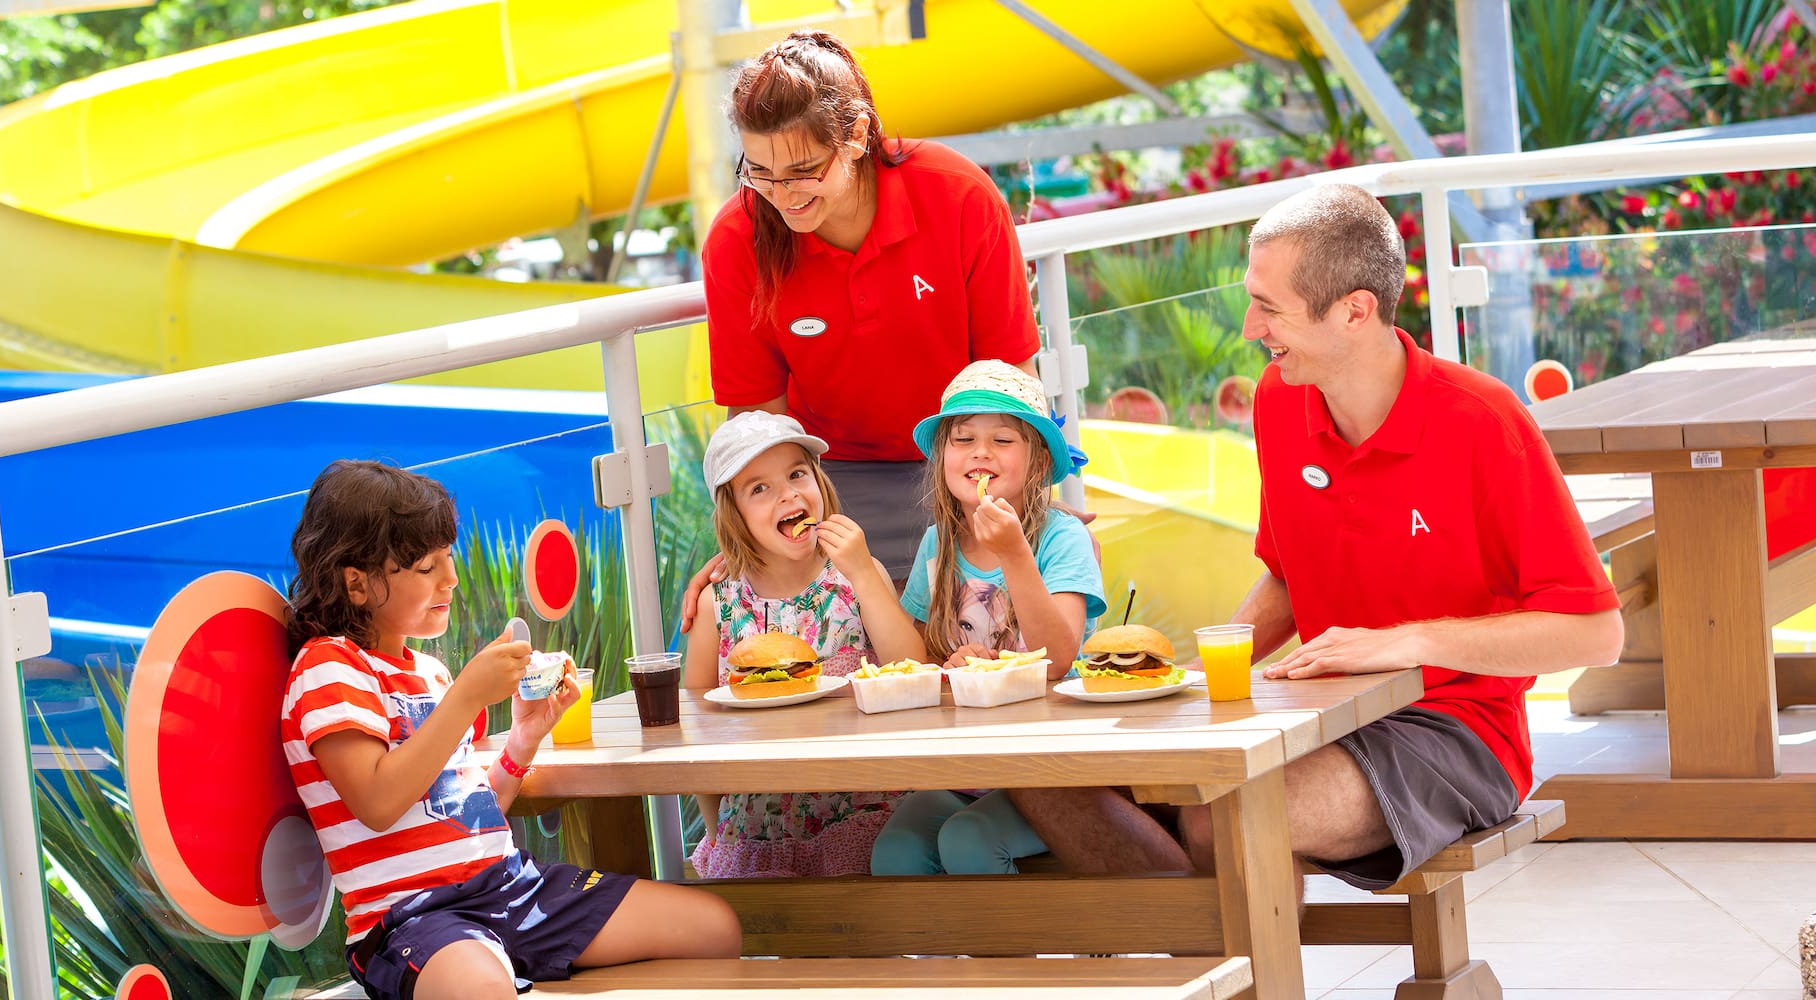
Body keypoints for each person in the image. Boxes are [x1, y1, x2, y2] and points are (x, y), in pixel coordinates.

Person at [1007, 184, 1624, 890]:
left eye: (1269, 308)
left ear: (1356, 310)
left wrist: (1412, 640)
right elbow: (1289, 579)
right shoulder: (1280, 398)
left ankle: (1226, 958)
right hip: (1315, 711)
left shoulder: (1483, 420)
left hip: (1457, 731)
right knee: (1045, 776)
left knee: (1223, 815)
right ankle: (1212, 952)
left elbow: (1594, 634)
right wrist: (1202, 670)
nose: (1247, 327)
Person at [279, 460, 740, 1000]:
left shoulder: (428, 672)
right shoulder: (329, 667)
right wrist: (468, 696)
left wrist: (524, 737)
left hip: (510, 889)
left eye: (447, 558)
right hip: (415, 921)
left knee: (715, 929)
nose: (450, 579)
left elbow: (466, 815)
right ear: (356, 584)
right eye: (427, 567)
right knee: (481, 990)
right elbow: (377, 801)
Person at [692, 28, 1042, 599]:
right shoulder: (737, 239)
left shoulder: (957, 195)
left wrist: (1033, 507)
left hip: (963, 462)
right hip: (830, 483)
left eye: (804, 170)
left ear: (856, 136)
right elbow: (757, 427)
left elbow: (1012, 382)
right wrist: (746, 550)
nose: (782, 195)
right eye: (760, 172)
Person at [869, 360, 1104, 876]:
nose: (980, 451)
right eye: (963, 439)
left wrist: (1016, 554)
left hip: (1053, 767)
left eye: (1002, 440)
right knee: (894, 852)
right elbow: (919, 655)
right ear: (943, 460)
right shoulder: (940, 544)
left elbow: (1059, 659)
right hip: (968, 766)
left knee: (970, 840)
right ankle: (935, 957)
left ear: (1038, 462)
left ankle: (1009, 958)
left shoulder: (1063, 540)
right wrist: (952, 659)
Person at [684, 410, 927, 878]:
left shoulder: (857, 575)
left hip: (864, 810)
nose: (788, 493)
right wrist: (720, 834)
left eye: (797, 473)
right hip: (754, 828)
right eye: (759, 488)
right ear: (733, 516)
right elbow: (696, 729)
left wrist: (862, 571)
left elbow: (911, 668)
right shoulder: (719, 605)